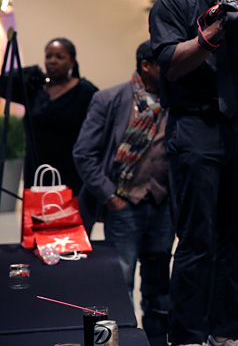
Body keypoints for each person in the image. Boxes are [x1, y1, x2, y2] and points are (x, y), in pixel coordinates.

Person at [149, 0, 238, 346]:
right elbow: (172, 66)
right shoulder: (173, 3)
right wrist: (215, 29)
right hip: (195, 127)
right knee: (197, 239)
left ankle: (227, 332)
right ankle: (187, 336)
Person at [73, 40, 173, 346]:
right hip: (124, 204)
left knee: (159, 280)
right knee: (122, 280)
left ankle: (157, 339)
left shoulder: (175, 99)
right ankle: (125, 339)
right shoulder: (110, 99)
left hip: (162, 205)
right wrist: (110, 196)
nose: (171, 69)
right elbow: (83, 153)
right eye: (164, 63)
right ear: (146, 65)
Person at [0, 37, 97, 195]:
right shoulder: (34, 89)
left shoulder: (85, 92)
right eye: (48, 56)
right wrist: (34, 73)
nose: (52, 61)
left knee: (65, 209)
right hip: (37, 169)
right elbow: (4, 84)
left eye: (59, 57)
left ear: (72, 62)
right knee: (37, 209)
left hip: (70, 170)